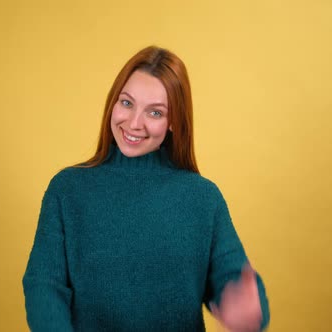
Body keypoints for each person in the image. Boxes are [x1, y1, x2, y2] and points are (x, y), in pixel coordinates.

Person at [22, 46, 270, 331]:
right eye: (127, 103)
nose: (134, 123)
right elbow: (44, 285)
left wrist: (248, 310)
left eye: (154, 112)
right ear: (113, 102)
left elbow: (236, 282)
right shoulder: (67, 190)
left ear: (174, 121)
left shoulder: (203, 198)